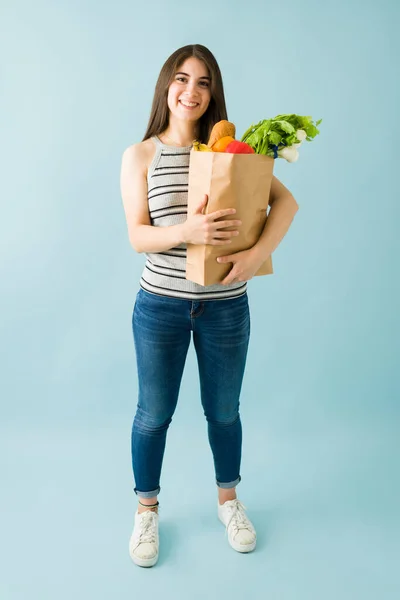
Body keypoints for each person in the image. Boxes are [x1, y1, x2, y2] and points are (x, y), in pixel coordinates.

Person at [120, 44, 298, 568]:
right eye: (181, 79)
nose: (191, 91)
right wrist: (188, 230)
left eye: (203, 83)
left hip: (226, 308)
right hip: (160, 306)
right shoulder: (141, 155)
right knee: (153, 415)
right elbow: (136, 235)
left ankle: (229, 503)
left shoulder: (229, 153)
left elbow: (285, 202)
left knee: (223, 413)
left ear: (213, 93)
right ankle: (147, 511)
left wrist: (259, 253)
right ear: (166, 87)